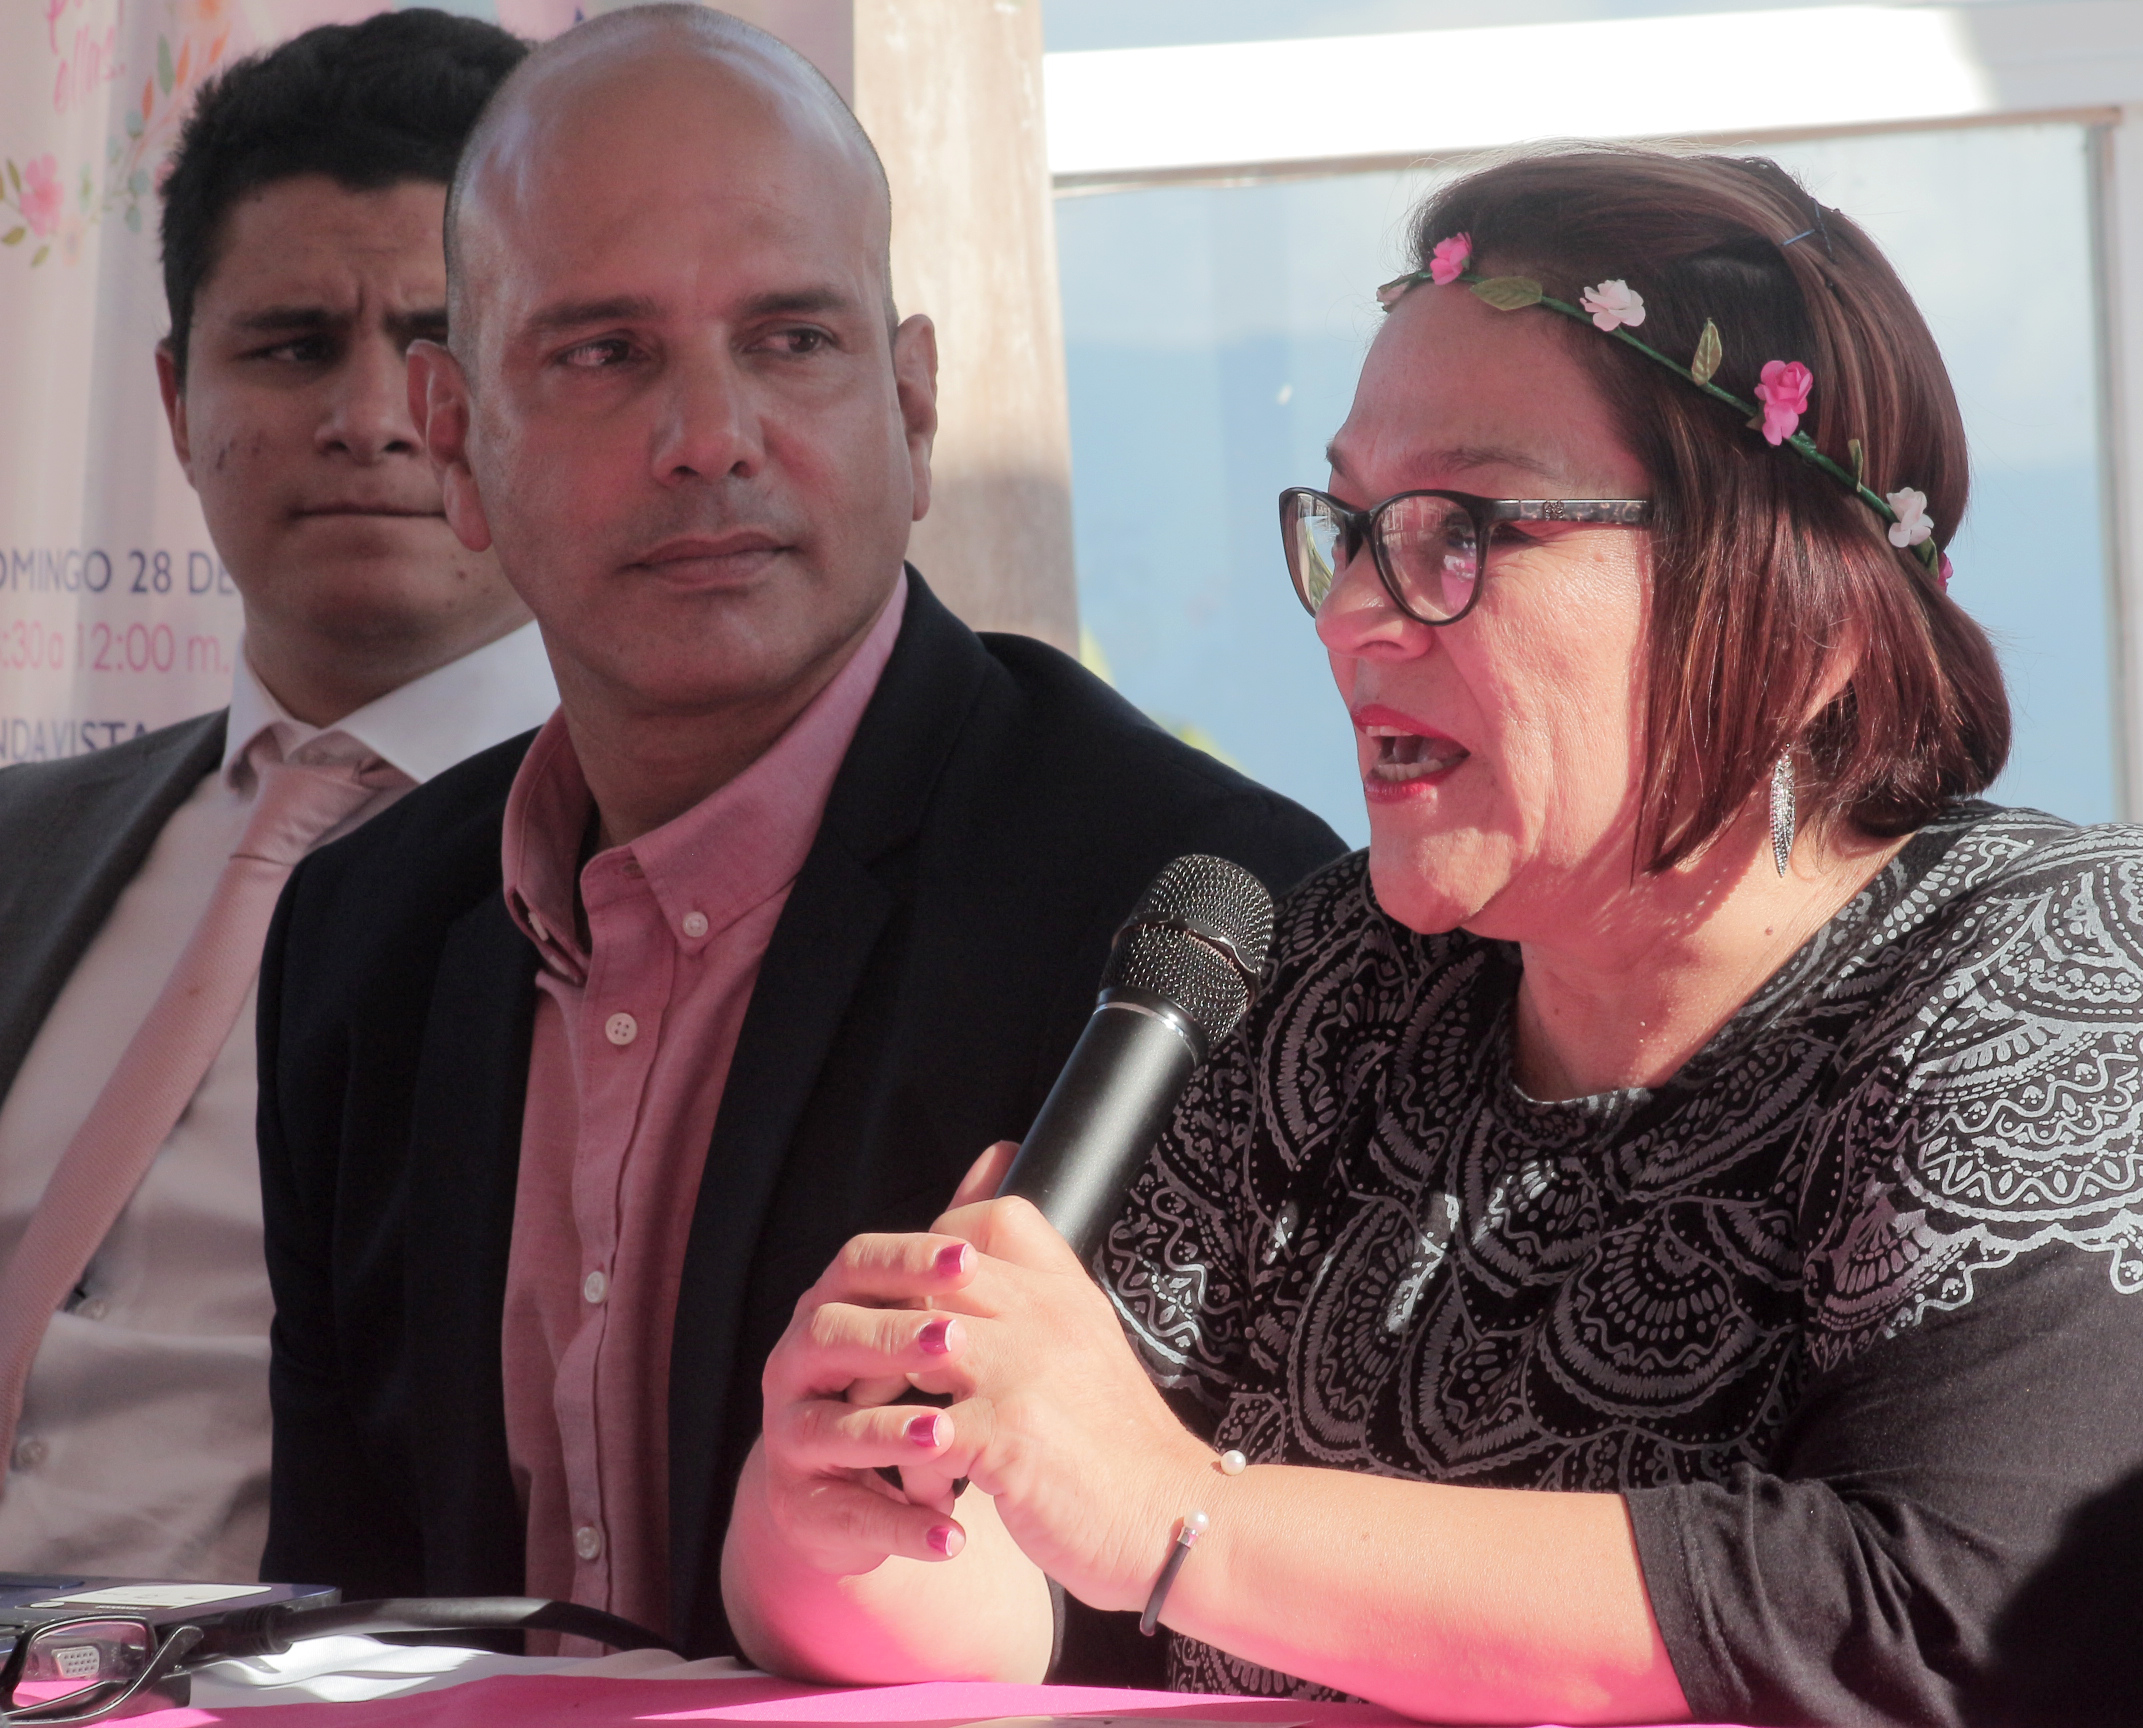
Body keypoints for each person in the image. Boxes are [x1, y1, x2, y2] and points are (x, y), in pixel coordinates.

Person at [731, 146, 2143, 1726]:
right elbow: (1040, 1585)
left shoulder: (2112, 975)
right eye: (1349, 527)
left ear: (1800, 604)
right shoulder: (1333, 993)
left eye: (1463, 530)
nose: (1356, 611)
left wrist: (1181, 1519)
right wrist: (842, 1511)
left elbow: (1964, 1626)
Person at [253, 2, 1341, 1661]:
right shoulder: (363, 933)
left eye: (789, 340)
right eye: (605, 353)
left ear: (911, 408)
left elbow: (1236, 1634)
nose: (709, 438)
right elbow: (335, 1620)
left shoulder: (1195, 919)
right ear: (457, 441)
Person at [0, 11, 550, 1582]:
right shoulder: (23, 844)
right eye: (294, 345)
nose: (372, 417)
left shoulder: (644, 876)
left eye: (439, 348)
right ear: (177, 406)